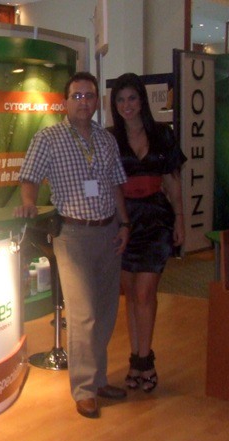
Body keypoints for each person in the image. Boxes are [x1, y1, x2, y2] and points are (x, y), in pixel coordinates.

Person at [14, 72, 131, 419]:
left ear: (97, 101)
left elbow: (115, 185)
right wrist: (29, 203)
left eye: (89, 96)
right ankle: (84, 389)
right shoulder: (48, 138)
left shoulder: (106, 140)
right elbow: (29, 176)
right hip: (73, 235)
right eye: (77, 96)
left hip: (109, 231)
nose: (83, 101)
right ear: (65, 102)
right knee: (83, 314)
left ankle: (98, 379)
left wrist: (124, 223)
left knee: (106, 312)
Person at [109, 72, 186, 393]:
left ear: (142, 100)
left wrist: (179, 218)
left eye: (132, 98)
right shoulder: (110, 138)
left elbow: (172, 181)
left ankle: (146, 359)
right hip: (124, 221)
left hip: (156, 219)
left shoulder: (162, 134)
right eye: (121, 99)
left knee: (145, 293)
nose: (127, 105)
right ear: (115, 105)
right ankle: (136, 361)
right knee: (130, 294)